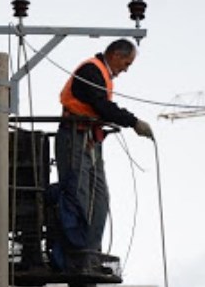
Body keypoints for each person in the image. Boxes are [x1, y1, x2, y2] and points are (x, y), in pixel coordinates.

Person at [54, 39, 153, 259]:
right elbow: (102, 106)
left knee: (99, 197)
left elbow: (99, 107)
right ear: (116, 55)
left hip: (88, 140)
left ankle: (90, 251)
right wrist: (133, 122)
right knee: (78, 194)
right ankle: (76, 252)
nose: (125, 69)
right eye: (126, 63)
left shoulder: (101, 74)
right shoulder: (92, 70)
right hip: (74, 137)